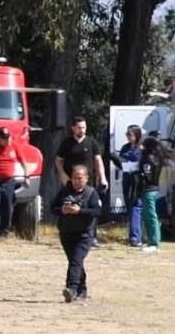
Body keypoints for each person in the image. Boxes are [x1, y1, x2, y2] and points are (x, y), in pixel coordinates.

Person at [50, 165, 102, 303]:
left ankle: (71, 288)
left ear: (86, 179)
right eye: (74, 178)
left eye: (80, 178)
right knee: (75, 262)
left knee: (76, 261)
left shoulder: (91, 193)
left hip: (84, 234)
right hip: (66, 233)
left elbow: (97, 211)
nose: (77, 181)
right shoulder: (64, 192)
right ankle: (82, 289)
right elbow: (52, 209)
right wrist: (62, 210)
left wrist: (80, 211)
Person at [55, 115, 108, 243]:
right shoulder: (66, 143)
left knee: (90, 207)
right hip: (70, 182)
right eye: (79, 128)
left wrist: (103, 178)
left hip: (88, 182)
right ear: (73, 128)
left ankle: (91, 236)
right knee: (69, 206)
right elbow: (58, 160)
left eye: (84, 127)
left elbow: (98, 160)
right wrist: (62, 174)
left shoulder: (91, 142)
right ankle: (69, 232)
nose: (82, 130)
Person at [136, 136, 175, 253]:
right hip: (153, 189)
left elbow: (146, 175)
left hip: (149, 190)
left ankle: (154, 242)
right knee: (148, 216)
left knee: (150, 216)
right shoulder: (156, 158)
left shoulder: (148, 159)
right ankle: (150, 240)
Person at [109, 125, 143, 247]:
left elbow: (141, 164)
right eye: (127, 134)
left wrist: (130, 165)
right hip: (127, 180)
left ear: (137, 135)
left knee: (136, 207)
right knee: (130, 207)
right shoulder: (125, 148)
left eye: (131, 134)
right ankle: (134, 235)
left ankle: (135, 237)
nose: (128, 137)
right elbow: (120, 164)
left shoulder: (141, 149)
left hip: (137, 181)